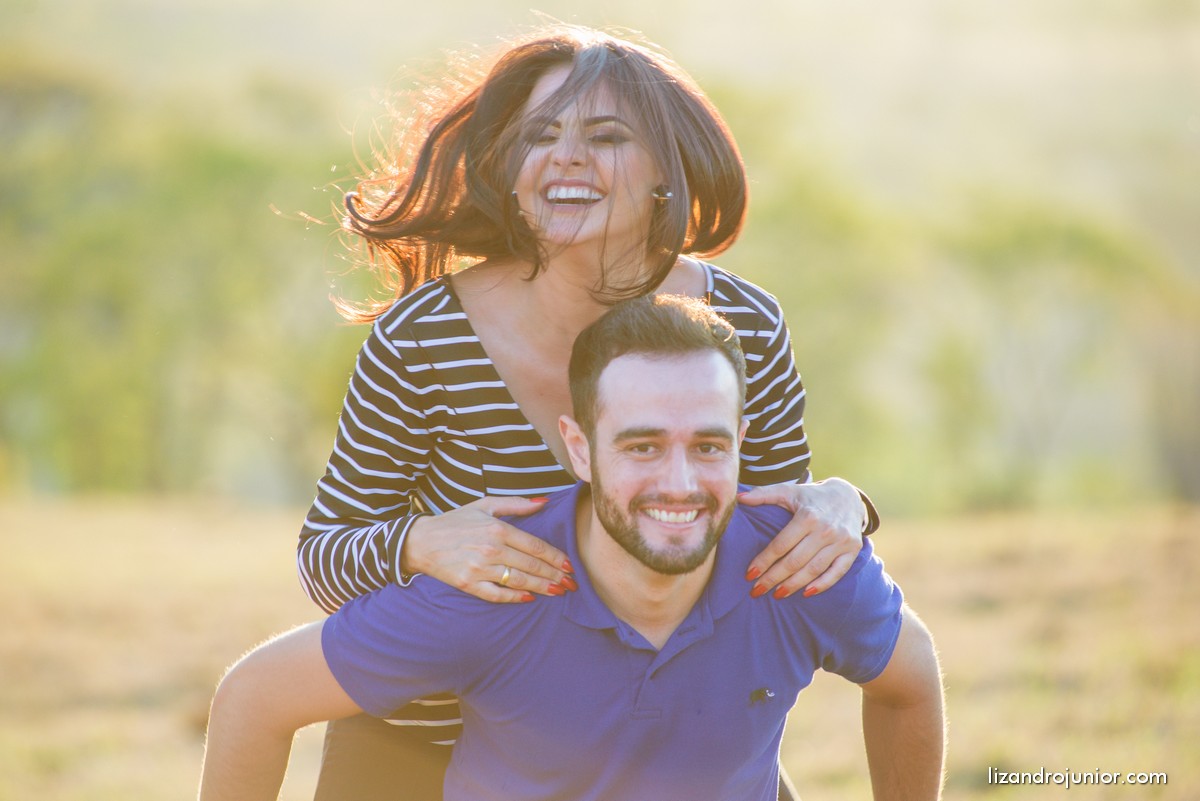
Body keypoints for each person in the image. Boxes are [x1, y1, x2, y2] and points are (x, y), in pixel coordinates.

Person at [298, 23, 882, 800]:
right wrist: (418, 542)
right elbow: (324, 556)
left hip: (661, 745)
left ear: (666, 171)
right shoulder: (422, 339)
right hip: (418, 750)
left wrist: (840, 505)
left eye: (605, 136)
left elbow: (765, 543)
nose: (566, 156)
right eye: (540, 136)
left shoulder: (745, 325)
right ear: (508, 170)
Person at [201, 295, 944, 801]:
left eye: (708, 446)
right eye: (643, 446)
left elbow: (910, 681)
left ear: (741, 442)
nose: (680, 483)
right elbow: (254, 699)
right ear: (580, 449)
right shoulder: (498, 581)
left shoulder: (798, 564)